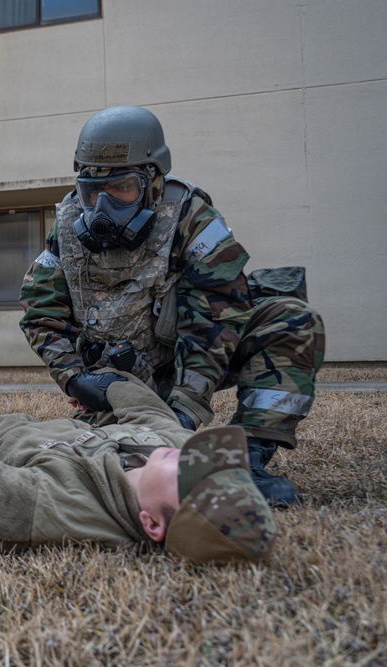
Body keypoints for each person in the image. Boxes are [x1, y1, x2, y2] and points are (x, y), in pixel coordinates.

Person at [19, 105, 325, 508]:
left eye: (122, 189)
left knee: (291, 320)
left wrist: (182, 411)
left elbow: (217, 318)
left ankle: (247, 462)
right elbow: (41, 312)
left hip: (190, 361)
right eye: (92, 192)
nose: (102, 208)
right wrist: (74, 378)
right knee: (105, 467)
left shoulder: (190, 216)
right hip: (121, 379)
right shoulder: (68, 225)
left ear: (153, 181)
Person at [0, 319, 276, 564]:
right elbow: (153, 415)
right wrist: (106, 383)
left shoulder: (46, 507)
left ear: (153, 525)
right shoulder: (162, 452)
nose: (187, 453)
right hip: (61, 428)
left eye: (190, 473)